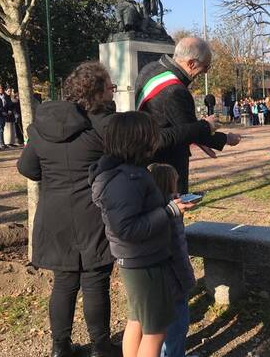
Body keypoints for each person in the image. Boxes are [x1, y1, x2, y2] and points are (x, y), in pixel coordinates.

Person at [17, 62, 117, 357]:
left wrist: (54, 177)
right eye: (109, 86)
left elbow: (27, 167)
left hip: (55, 212)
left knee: (64, 282)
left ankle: (59, 348)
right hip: (92, 213)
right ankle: (100, 347)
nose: (112, 91)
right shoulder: (102, 126)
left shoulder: (42, 126)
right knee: (95, 281)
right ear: (97, 92)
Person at [90, 112, 193, 357]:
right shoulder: (125, 179)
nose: (156, 142)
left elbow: (138, 211)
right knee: (155, 331)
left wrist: (168, 202)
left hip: (142, 260)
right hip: (144, 262)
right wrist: (169, 210)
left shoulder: (130, 173)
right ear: (136, 140)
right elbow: (127, 228)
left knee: (137, 321)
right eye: (151, 136)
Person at [135, 37, 240, 194]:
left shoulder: (148, 69)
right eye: (205, 66)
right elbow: (189, 130)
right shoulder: (176, 91)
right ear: (191, 63)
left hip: (147, 158)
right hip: (167, 165)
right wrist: (225, 138)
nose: (205, 72)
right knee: (172, 210)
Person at [147, 164, 197, 357]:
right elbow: (178, 253)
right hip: (174, 285)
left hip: (154, 284)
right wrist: (187, 281)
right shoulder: (171, 217)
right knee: (177, 327)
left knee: (158, 330)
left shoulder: (149, 211)